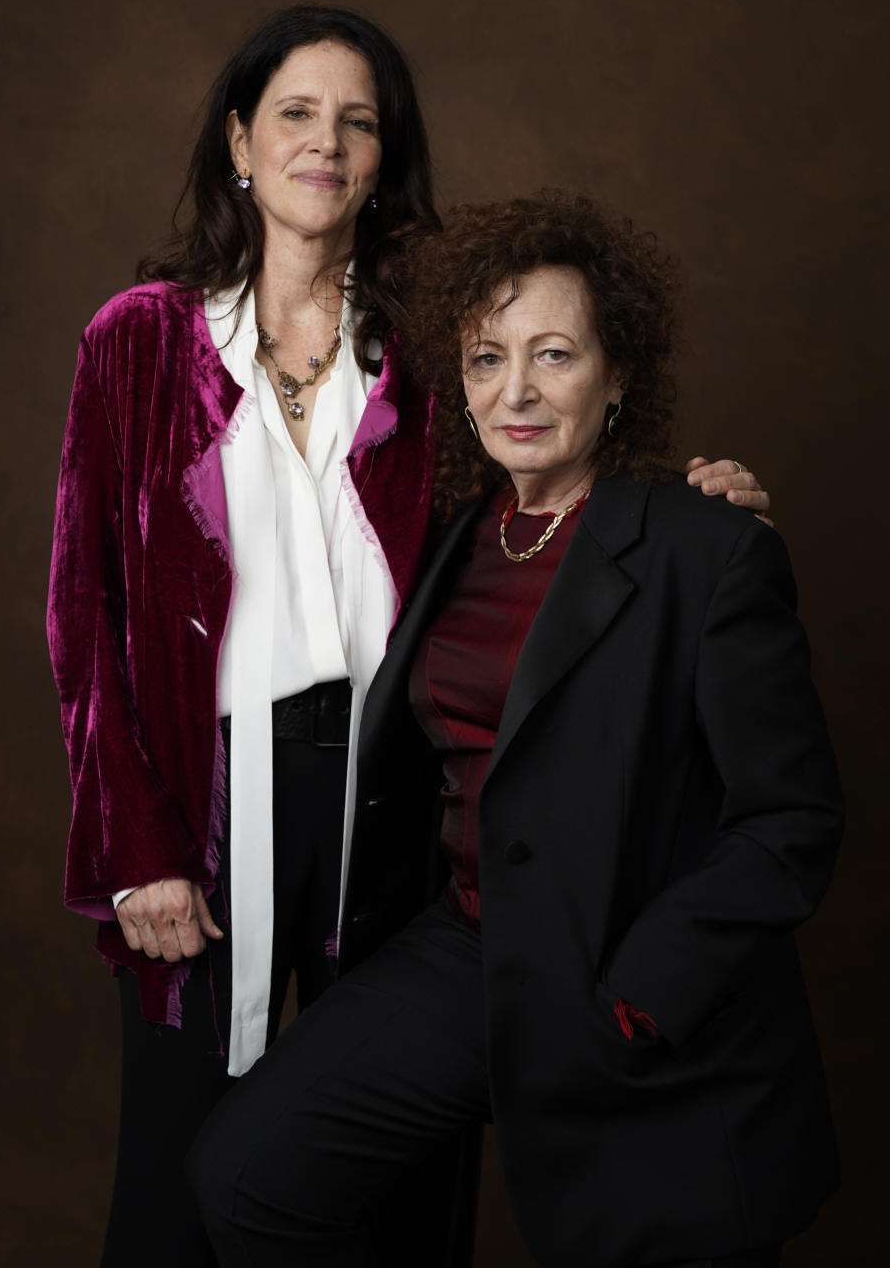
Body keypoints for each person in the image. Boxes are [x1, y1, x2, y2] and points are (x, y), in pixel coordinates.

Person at [47, 4, 769, 1264]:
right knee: (182, 1185)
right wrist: (133, 847)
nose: (326, 143)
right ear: (239, 140)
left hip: (401, 808)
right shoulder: (139, 340)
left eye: (359, 121)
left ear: (386, 159)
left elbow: (546, 481)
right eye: (296, 113)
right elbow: (83, 609)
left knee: (381, 1184)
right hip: (202, 821)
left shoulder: (433, 350)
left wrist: (690, 503)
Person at [187, 192, 842, 1268]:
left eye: (554, 355)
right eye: (488, 359)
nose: (518, 391)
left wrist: (644, 993)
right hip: (471, 949)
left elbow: (792, 819)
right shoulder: (453, 539)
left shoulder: (702, 546)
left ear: (617, 375)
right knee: (249, 1171)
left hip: (627, 978)